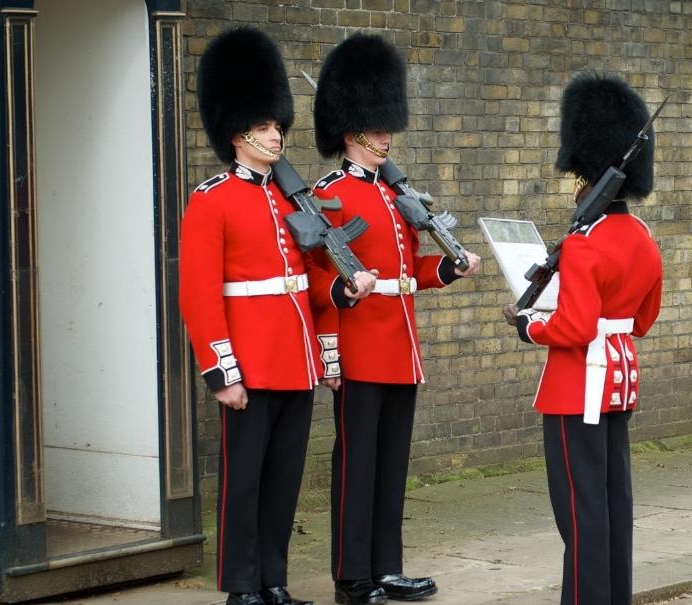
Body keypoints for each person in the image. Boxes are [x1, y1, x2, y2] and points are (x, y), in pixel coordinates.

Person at [307, 32, 482, 605]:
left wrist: (452, 269)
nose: (386, 136)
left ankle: (386, 567)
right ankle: (351, 576)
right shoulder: (328, 196)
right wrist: (331, 353)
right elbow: (322, 286)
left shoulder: (393, 194)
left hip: (401, 350)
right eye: (377, 128)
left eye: (387, 127)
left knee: (390, 468)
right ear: (351, 131)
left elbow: (410, 273)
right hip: (360, 350)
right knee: (357, 471)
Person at [502, 73, 664, 605]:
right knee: (614, 502)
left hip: (578, 386)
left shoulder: (584, 244)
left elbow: (572, 328)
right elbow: (642, 320)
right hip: (620, 378)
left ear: (584, 179)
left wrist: (529, 326)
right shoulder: (641, 237)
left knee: (579, 510)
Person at [179, 27, 319, 605]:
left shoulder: (292, 199)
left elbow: (308, 279)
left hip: (295, 359)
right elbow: (199, 294)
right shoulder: (211, 199)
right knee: (244, 482)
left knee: (284, 482)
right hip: (250, 363)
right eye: (265, 127)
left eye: (278, 126)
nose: (276, 135)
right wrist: (223, 371)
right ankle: (241, 586)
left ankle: (274, 582)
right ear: (239, 134)